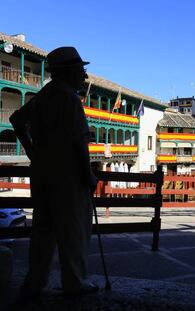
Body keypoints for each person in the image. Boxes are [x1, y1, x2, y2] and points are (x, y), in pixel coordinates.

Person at [10, 47, 99, 299]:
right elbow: (78, 143)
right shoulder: (69, 98)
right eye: (81, 69)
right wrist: (88, 175)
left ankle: (35, 282)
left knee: (42, 230)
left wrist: (32, 152)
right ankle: (75, 282)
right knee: (73, 232)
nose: (84, 74)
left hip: (42, 173)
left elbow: (17, 120)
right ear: (69, 71)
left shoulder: (45, 94)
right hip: (68, 176)